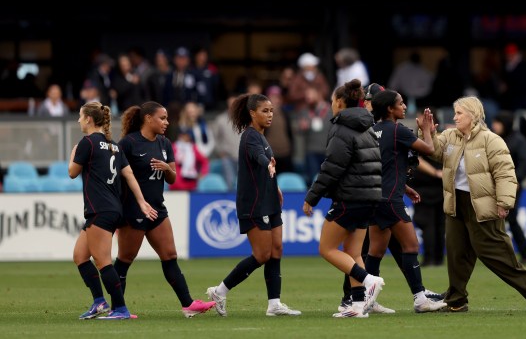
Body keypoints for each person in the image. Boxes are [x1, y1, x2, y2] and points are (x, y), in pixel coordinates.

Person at [421, 96, 526, 312]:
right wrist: (428, 133)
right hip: (456, 202)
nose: (454, 117)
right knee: (457, 252)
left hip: (483, 205)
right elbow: (433, 151)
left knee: (492, 252)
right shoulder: (449, 136)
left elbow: (505, 173)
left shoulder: (491, 140)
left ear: (473, 115)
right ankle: (457, 301)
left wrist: (504, 202)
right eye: (454, 112)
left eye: (459, 113)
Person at [113, 101, 215, 318]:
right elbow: (117, 177)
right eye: (162, 118)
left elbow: (173, 177)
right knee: (124, 260)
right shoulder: (128, 144)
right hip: (134, 210)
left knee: (170, 255)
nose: (166, 122)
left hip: (157, 209)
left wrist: (167, 168)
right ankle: (118, 308)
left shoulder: (165, 143)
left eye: (167, 118)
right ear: (148, 118)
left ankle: (188, 305)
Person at [206, 93, 301, 317]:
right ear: (252, 113)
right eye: (265, 111)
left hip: (269, 200)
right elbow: (259, 157)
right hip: (254, 204)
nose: (270, 115)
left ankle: (274, 304)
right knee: (261, 255)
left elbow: (263, 167)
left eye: (271, 111)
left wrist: (274, 185)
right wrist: (267, 163)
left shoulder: (261, 136)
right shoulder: (249, 137)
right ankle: (219, 291)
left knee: (277, 249)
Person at [303, 79, 386, 318]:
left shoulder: (341, 127)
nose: (331, 105)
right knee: (353, 253)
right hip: (369, 196)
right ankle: (358, 306)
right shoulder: (367, 125)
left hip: (350, 197)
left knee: (326, 248)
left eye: (331, 101)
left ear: (339, 102)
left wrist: (312, 197)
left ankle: (369, 280)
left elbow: (332, 167)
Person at [69, 101, 158, 320]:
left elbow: (72, 172)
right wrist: (141, 201)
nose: (78, 120)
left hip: (100, 209)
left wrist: (73, 153)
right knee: (80, 256)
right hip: (109, 209)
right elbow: (129, 175)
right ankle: (99, 302)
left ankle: (120, 308)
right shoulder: (114, 145)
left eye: (80, 116)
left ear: (89, 119)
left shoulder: (87, 143)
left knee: (103, 262)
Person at [365, 89, 446, 313]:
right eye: (400, 103)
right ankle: (420, 298)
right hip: (391, 199)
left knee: (375, 252)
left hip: (374, 197)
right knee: (411, 245)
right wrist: (427, 131)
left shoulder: (372, 131)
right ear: (390, 109)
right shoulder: (396, 130)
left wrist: (406, 187)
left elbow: (385, 166)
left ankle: (366, 301)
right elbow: (428, 149)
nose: (404, 107)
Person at [492, 111, 526, 264]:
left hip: (512, 186)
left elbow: (525, 164)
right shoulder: (495, 139)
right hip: (495, 185)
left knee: (510, 218)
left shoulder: (518, 140)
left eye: (498, 123)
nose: (494, 126)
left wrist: (514, 181)